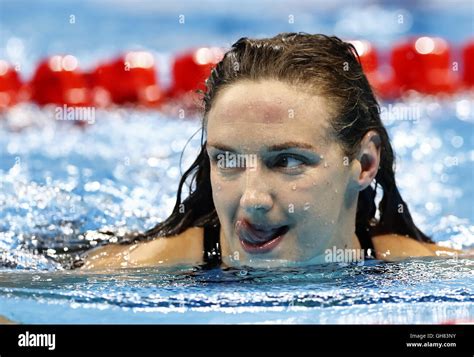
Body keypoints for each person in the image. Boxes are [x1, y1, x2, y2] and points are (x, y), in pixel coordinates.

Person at [81, 33, 463, 270]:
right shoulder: (139, 272)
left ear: (364, 164)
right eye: (227, 159)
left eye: (287, 161)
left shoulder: (415, 268)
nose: (252, 200)